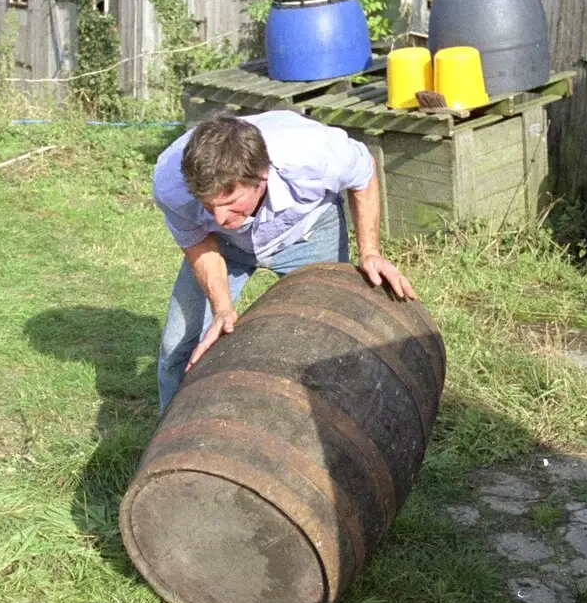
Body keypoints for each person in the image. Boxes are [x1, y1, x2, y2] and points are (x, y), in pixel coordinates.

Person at [152, 110, 417, 414]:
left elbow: (364, 171)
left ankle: (324, 427)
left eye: (229, 204)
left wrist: (369, 250)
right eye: (208, 206)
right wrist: (222, 308)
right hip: (223, 248)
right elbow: (200, 242)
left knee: (324, 339)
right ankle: (169, 440)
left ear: (261, 176)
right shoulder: (171, 184)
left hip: (307, 230)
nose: (220, 218)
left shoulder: (311, 154)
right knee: (178, 346)